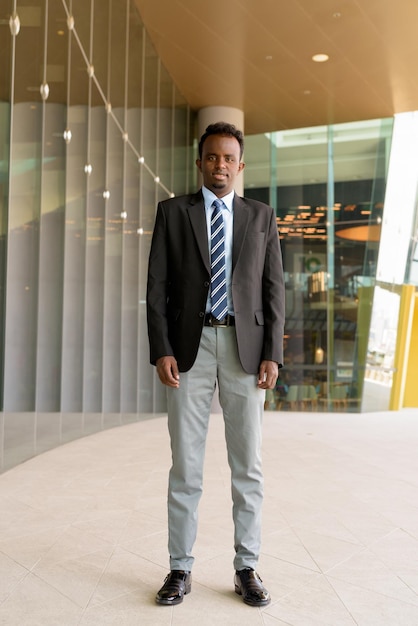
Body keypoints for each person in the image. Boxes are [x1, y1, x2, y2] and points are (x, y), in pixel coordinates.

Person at [146, 121, 285, 607]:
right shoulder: (172, 213)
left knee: (248, 465)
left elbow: (274, 290)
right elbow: (156, 290)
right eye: (212, 157)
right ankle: (179, 568)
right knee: (185, 465)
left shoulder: (261, 217)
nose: (220, 165)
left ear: (240, 165)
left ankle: (248, 566)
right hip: (189, 351)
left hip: (246, 353)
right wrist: (161, 347)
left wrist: (273, 353)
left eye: (228, 158)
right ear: (200, 161)